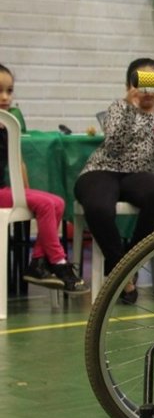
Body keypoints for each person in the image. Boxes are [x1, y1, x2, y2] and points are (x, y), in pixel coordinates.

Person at [74, 58, 154, 302]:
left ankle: (126, 266)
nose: (147, 91)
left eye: (153, 84)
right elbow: (115, 146)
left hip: (139, 173)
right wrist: (131, 109)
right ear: (129, 85)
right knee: (98, 206)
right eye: (141, 83)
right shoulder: (119, 107)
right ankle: (122, 271)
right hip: (103, 169)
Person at [0, 64, 87, 293]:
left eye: (9, 91)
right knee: (48, 204)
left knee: (56, 201)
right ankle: (58, 262)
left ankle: (38, 261)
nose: (5, 97)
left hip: (5, 190)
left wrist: (26, 195)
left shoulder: (7, 125)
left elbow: (18, 162)